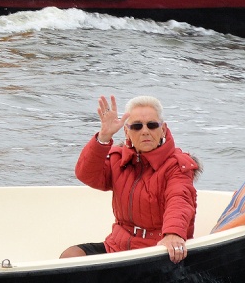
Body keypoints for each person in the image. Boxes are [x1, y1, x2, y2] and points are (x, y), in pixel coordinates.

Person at [60, 95, 199, 264]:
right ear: (127, 131)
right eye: (137, 126)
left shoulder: (177, 165)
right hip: (117, 246)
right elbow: (86, 174)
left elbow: (180, 199)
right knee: (71, 255)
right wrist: (103, 137)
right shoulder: (118, 159)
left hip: (158, 249)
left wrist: (173, 234)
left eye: (152, 125)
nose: (145, 131)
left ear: (163, 129)